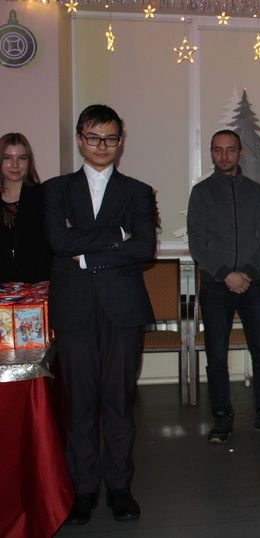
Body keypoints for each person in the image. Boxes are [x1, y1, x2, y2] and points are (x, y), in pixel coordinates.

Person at [44, 104, 156, 525]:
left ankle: (120, 488)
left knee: (119, 402)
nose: (102, 145)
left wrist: (88, 253)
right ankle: (84, 489)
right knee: (80, 404)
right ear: (80, 139)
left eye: (110, 138)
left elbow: (143, 247)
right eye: (94, 138)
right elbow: (58, 241)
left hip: (122, 310)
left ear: (120, 141)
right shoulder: (56, 190)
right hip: (73, 309)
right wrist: (116, 235)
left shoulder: (137, 192)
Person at [187, 129, 260, 443]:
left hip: (253, 283)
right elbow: (197, 243)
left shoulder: (255, 191)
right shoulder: (201, 193)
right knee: (216, 356)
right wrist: (226, 274)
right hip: (215, 284)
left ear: (240, 152)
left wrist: (246, 273)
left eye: (230, 149)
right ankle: (222, 416)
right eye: (218, 150)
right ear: (211, 152)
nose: (224, 156)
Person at [0, 132, 52, 282]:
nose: (15, 165)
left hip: (36, 284)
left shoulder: (44, 196)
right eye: (7, 158)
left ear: (29, 161)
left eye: (22, 158)